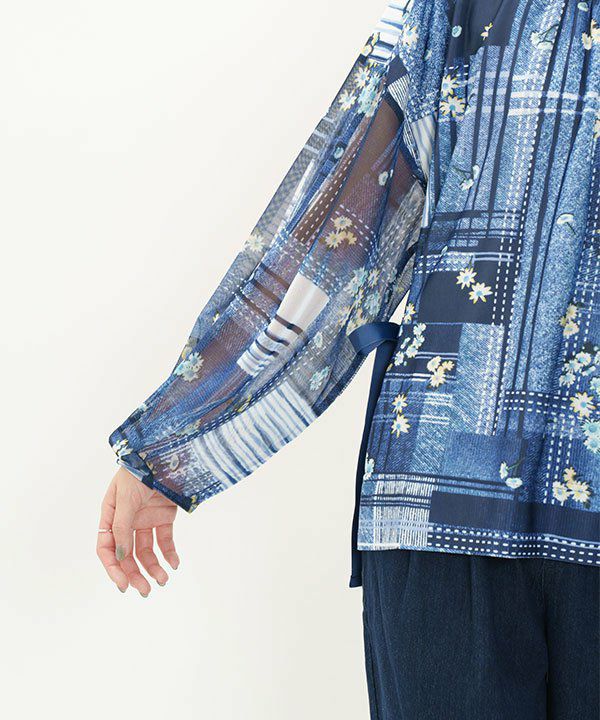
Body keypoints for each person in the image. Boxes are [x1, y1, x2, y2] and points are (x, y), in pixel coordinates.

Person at [97, 1, 600, 717]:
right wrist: (176, 445)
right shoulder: (443, 11)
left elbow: (338, 244)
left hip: (439, 490)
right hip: (441, 502)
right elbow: (338, 235)